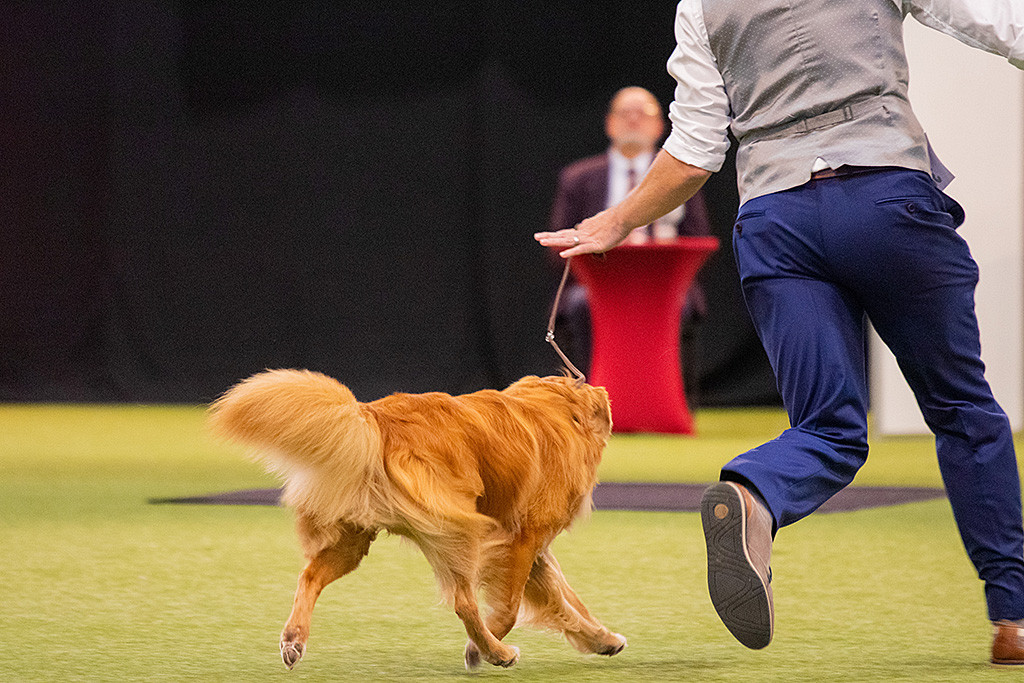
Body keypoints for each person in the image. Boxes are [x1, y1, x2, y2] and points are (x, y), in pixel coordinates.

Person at [536, 0, 1024, 665]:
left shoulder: (702, 6)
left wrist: (616, 223)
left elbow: (695, 151)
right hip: (888, 200)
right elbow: (996, 24)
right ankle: (1013, 618)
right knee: (964, 411)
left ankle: (751, 492)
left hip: (776, 221)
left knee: (826, 427)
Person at [548, 86, 712, 403]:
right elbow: (559, 245)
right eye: (625, 113)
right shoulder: (578, 178)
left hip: (664, 285)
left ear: (660, 125)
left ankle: (670, 402)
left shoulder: (681, 177)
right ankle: (584, 403)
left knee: (678, 303)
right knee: (581, 302)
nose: (634, 120)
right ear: (610, 124)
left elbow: (700, 238)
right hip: (598, 285)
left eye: (644, 113)